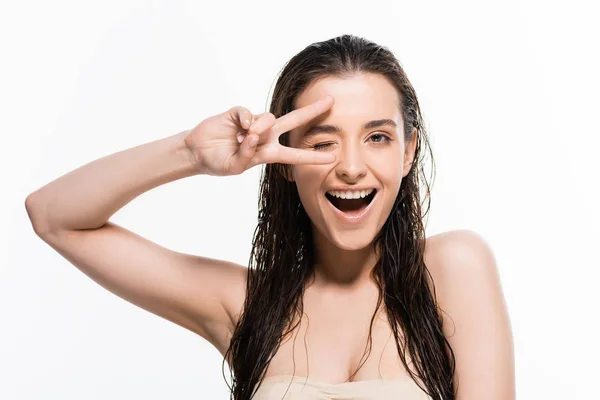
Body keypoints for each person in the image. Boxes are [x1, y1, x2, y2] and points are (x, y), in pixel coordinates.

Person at [25, 34, 515, 400]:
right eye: (322, 142)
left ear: (408, 154)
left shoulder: (453, 267)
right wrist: (190, 153)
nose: (349, 166)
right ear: (284, 162)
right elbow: (53, 216)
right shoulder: (246, 307)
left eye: (378, 137)